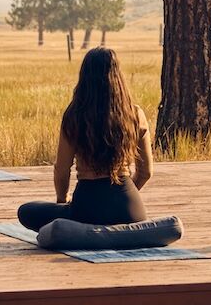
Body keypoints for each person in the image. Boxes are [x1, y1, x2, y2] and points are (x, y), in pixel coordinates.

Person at [17, 46, 154, 231]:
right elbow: (145, 172)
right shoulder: (135, 114)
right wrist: (123, 199)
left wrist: (62, 203)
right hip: (130, 210)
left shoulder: (75, 115)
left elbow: (61, 169)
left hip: (87, 209)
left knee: (26, 211)